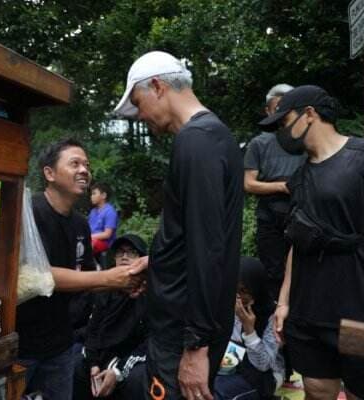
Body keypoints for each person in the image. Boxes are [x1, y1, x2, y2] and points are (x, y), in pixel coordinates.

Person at [113, 51, 244, 400]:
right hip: (187, 328)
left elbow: (208, 249)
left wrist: (196, 346)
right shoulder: (213, 137)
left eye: (139, 104)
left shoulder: (197, 141)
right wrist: (155, 263)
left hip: (181, 336)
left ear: (158, 86)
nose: (140, 116)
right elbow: (198, 234)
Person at [259, 85, 364, 400]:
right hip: (308, 309)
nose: (281, 134)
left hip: (361, 306)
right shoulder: (299, 179)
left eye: (284, 124)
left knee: (362, 390)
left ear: (310, 114)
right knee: (316, 388)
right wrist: (284, 302)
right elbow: (297, 242)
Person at [17, 138, 143, 400]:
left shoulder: (80, 225)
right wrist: (108, 277)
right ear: (49, 173)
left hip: (61, 343)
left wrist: (123, 283)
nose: (84, 170)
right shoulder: (29, 213)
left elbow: (86, 276)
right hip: (21, 342)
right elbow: (35, 276)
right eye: (74, 163)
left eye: (86, 164)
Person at [243, 84, 306, 300]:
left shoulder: (305, 139)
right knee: (273, 272)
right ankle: (272, 321)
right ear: (268, 111)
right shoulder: (259, 144)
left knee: (303, 269)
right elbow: (249, 184)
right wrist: (282, 186)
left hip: (302, 213)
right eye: (276, 108)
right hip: (269, 217)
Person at [73, 233, 149, 400]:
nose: (124, 257)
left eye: (131, 252)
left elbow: (149, 341)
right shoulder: (104, 291)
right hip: (99, 353)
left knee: (135, 381)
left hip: (131, 358)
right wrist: (93, 363)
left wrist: (117, 370)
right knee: (76, 365)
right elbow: (93, 329)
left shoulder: (148, 295)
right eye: (120, 252)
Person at [214, 257, 284, 400]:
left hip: (263, 375)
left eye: (244, 290)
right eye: (234, 289)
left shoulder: (273, 316)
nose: (238, 296)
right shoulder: (228, 305)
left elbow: (264, 365)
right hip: (229, 367)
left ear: (256, 288)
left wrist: (249, 330)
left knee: (218, 391)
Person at [88, 183, 119, 256]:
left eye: (94, 194)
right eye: (91, 194)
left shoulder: (110, 211)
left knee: (89, 243)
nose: (91, 196)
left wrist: (89, 237)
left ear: (103, 195)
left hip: (106, 243)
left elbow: (107, 234)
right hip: (92, 239)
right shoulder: (93, 211)